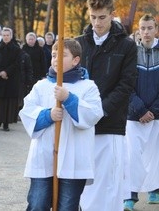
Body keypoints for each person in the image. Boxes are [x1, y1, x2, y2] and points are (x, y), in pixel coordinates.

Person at [20, 39, 103, 210]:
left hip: (74, 158)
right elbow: (27, 112)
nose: (56, 59)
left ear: (76, 60)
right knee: (37, 204)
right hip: (44, 157)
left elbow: (93, 114)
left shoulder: (88, 87)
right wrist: (48, 115)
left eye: (62, 55)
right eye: (54, 55)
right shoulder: (40, 86)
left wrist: (69, 99)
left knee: (67, 205)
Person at [77, 0, 137, 211]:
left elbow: (126, 85)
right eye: (93, 17)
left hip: (110, 124)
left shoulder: (127, 46)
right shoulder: (79, 44)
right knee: (82, 185)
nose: (97, 23)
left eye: (102, 17)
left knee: (108, 183)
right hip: (81, 125)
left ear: (112, 13)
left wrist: (99, 111)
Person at [123, 14, 159, 211]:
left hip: (156, 114)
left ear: (156, 29)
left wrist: (153, 110)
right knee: (132, 155)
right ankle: (130, 195)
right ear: (138, 30)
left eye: (150, 28)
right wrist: (139, 109)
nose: (146, 32)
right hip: (134, 115)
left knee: (156, 154)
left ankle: (155, 189)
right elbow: (125, 83)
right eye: (142, 28)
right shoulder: (130, 51)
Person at [0, 27, 22, 131]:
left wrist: (7, 72)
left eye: (7, 35)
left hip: (11, 78)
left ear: (11, 36)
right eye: (4, 35)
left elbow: (17, 63)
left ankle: (6, 122)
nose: (6, 37)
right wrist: (0, 72)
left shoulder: (16, 49)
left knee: (8, 102)